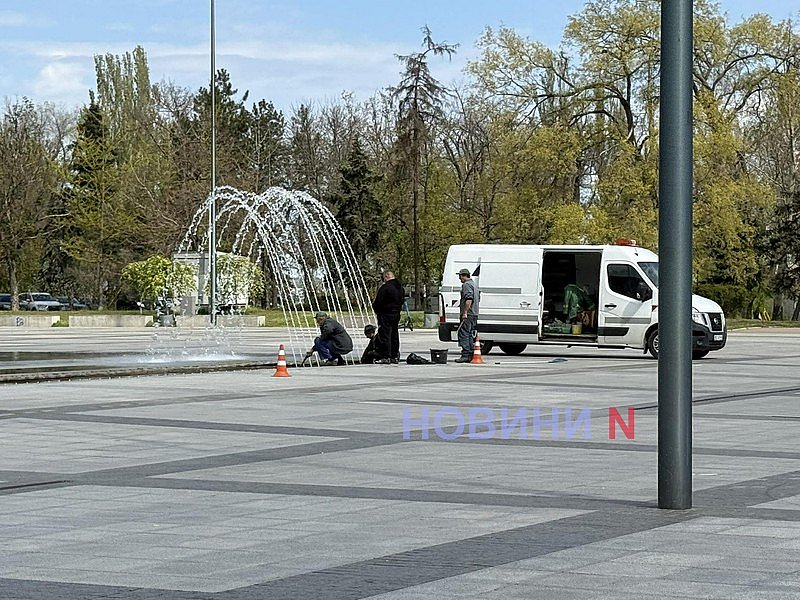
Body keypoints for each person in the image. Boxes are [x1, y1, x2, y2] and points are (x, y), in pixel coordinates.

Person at [372, 270, 404, 364]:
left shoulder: (385, 287)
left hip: (385, 314)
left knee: (385, 335)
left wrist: (378, 311)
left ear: (386, 277)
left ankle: (386, 356)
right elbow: (402, 300)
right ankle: (395, 355)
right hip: (396, 314)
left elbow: (378, 302)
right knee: (394, 334)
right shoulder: (400, 288)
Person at [455, 267, 479, 363]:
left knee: (464, 333)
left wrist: (465, 312)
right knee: (469, 334)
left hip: (468, 314)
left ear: (464, 276)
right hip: (474, 313)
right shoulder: (474, 285)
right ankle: (470, 354)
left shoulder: (466, 285)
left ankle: (466, 354)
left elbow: (469, 299)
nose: (459, 278)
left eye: (460, 276)